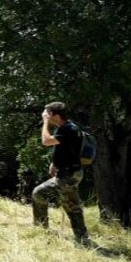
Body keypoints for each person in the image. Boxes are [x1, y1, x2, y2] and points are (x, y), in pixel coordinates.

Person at [31, 102, 89, 244]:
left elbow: (46, 141)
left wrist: (45, 123)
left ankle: (41, 229)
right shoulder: (67, 127)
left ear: (55, 115)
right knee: (71, 205)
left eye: (47, 114)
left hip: (68, 175)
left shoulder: (69, 128)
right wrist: (55, 163)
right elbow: (65, 149)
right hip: (71, 172)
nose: (45, 116)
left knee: (38, 194)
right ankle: (82, 238)